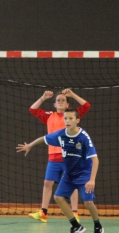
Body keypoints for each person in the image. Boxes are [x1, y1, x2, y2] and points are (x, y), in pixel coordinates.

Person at [17, 108, 103, 233]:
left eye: (70, 118)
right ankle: (76, 226)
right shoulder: (61, 135)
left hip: (84, 174)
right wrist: (30, 145)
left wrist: (92, 179)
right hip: (69, 174)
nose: (67, 121)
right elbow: (44, 139)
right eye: (65, 118)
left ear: (77, 120)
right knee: (58, 197)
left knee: (88, 202)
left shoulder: (83, 137)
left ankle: (98, 226)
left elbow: (95, 159)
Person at [27, 89, 90, 223]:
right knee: (47, 182)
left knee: (72, 184)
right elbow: (32, 109)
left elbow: (86, 106)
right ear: (54, 104)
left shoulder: (71, 117)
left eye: (63, 100)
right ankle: (43, 212)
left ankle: (75, 213)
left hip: (70, 156)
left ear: (67, 105)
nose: (60, 102)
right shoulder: (49, 116)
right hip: (53, 156)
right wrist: (43, 98)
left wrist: (72, 94)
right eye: (58, 101)